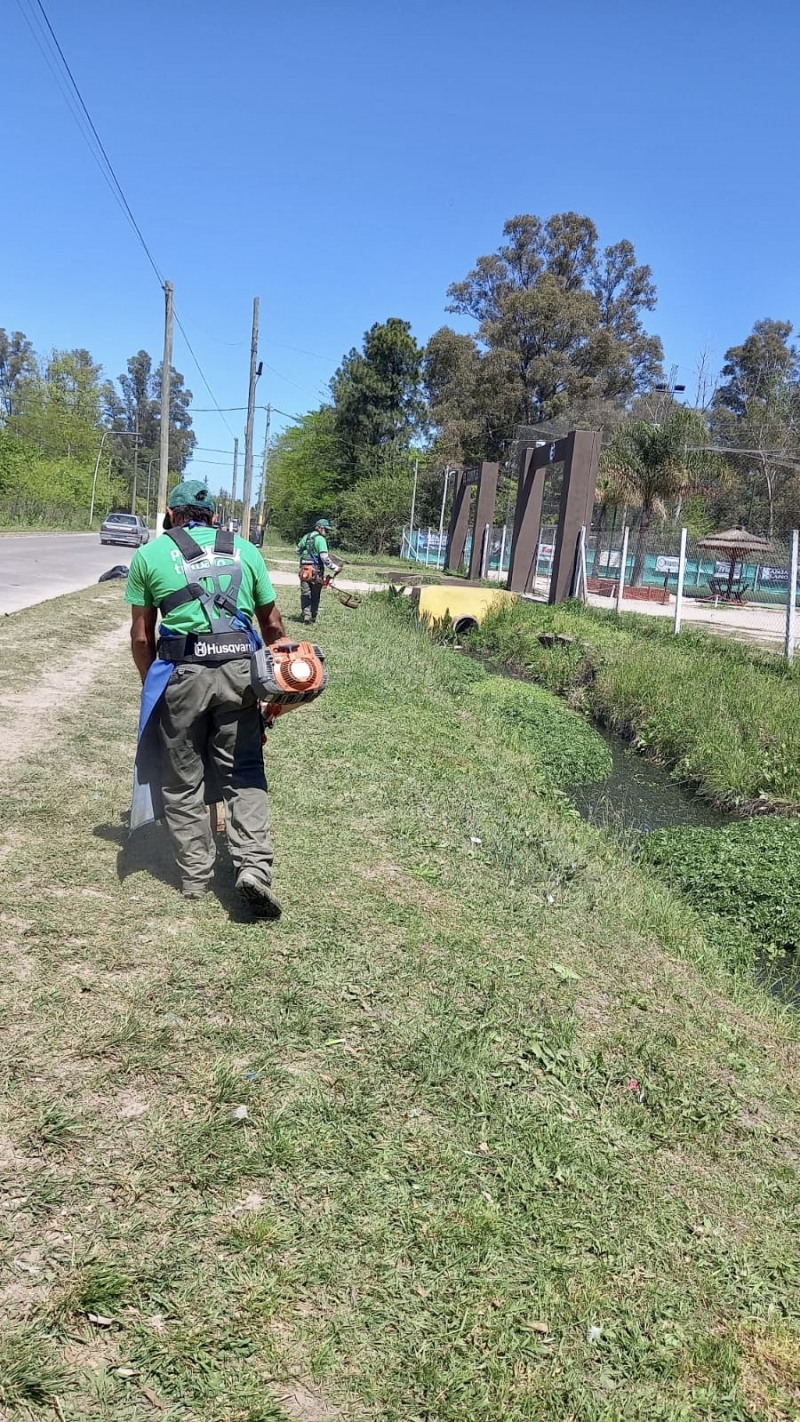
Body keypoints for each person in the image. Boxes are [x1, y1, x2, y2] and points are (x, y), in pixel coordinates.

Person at [125, 479, 285, 918]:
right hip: (240, 673)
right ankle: (253, 867)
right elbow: (271, 626)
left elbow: (142, 637)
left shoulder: (150, 555)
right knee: (244, 771)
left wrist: (151, 685)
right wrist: (278, 680)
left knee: (181, 777)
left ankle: (196, 876)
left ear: (172, 516)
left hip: (182, 673)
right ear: (213, 518)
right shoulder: (246, 551)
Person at [297, 518, 342, 624]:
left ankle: (306, 615)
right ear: (320, 528)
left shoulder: (306, 537)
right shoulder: (321, 540)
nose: (327, 532)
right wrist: (335, 568)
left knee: (305, 593)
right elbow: (324, 558)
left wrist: (305, 555)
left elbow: (297, 550)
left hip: (304, 570)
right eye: (326, 529)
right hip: (316, 570)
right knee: (315, 594)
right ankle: (313, 615)